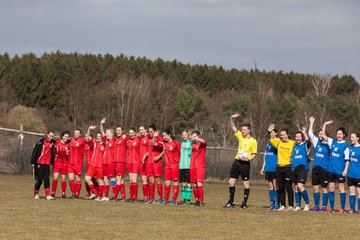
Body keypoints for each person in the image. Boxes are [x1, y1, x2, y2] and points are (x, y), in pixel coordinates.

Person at [224, 113, 257, 209]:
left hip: (245, 164)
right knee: (231, 182)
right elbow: (233, 126)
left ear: (249, 130)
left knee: (246, 183)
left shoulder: (253, 141)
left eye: (245, 130)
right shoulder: (240, 136)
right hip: (237, 162)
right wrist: (231, 118)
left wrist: (248, 158)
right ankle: (231, 202)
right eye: (242, 130)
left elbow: (254, 154)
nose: (243, 131)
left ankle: (244, 203)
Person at [322, 121, 349, 213]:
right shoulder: (332, 142)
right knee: (331, 188)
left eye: (340, 134)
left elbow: (347, 160)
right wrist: (325, 125)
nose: (338, 135)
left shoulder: (346, 146)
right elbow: (323, 135)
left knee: (341, 189)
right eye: (337, 134)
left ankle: (342, 208)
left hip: (340, 171)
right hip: (331, 170)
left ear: (344, 135)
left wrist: (345, 170)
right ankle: (331, 208)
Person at [267, 124, 295, 211]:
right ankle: (282, 205)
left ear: (287, 135)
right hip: (279, 167)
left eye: (284, 135)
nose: (282, 136)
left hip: (288, 167)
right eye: (281, 135)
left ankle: (290, 205)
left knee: (288, 186)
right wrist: (269, 131)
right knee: (281, 187)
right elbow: (269, 137)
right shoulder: (278, 142)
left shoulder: (292, 143)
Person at [308, 116, 332, 212]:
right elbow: (310, 133)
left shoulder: (329, 144)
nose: (319, 135)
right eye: (319, 134)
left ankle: (325, 206)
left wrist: (324, 125)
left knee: (324, 188)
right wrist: (312, 122)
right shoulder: (317, 142)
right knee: (315, 188)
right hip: (315, 168)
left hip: (324, 169)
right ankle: (317, 205)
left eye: (321, 133)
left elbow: (325, 135)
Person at [142, 124, 164, 204]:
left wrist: (155, 137)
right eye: (149, 131)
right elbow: (150, 149)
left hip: (156, 162)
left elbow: (155, 144)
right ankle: (152, 198)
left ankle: (160, 198)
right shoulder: (149, 138)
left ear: (155, 131)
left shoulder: (159, 139)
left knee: (157, 180)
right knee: (151, 180)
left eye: (151, 131)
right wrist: (145, 156)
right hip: (150, 162)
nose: (150, 133)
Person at [31, 130, 56, 200]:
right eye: (50, 136)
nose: (51, 137)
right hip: (39, 163)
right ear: (47, 135)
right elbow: (34, 151)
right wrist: (32, 162)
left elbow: (61, 142)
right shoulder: (40, 142)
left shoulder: (53, 142)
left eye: (52, 136)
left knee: (47, 180)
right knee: (39, 180)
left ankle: (47, 195)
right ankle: (36, 193)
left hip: (47, 164)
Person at [291, 128, 312, 211]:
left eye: (299, 137)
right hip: (294, 168)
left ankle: (307, 203)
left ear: (302, 137)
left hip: (302, 168)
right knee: (296, 187)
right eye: (297, 137)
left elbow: (309, 142)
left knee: (300, 186)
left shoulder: (305, 145)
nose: (298, 138)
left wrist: (304, 133)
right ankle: (298, 206)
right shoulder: (295, 146)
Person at [84, 126, 105, 200]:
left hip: (100, 165)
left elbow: (103, 133)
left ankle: (100, 196)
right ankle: (94, 192)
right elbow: (88, 137)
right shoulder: (94, 143)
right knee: (87, 178)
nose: (99, 137)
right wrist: (89, 128)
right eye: (97, 136)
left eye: (100, 136)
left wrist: (101, 125)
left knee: (100, 181)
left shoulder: (105, 144)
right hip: (93, 165)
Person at [260, 129, 278, 210]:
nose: (272, 134)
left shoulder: (277, 141)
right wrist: (263, 168)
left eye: (273, 133)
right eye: (271, 133)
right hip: (268, 167)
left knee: (275, 186)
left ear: (276, 133)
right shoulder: (268, 143)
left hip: (274, 167)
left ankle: (277, 203)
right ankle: (272, 204)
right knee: (270, 186)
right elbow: (265, 156)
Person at [162, 129, 181, 205]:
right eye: (163, 136)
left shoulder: (176, 143)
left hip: (174, 166)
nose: (164, 137)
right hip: (167, 166)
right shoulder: (164, 143)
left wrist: (177, 163)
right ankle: (166, 200)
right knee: (166, 183)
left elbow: (180, 153)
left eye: (165, 136)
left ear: (169, 135)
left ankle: (174, 201)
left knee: (175, 183)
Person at [99, 118, 116, 201]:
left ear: (112, 134)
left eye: (108, 133)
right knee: (105, 179)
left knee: (112, 179)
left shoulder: (115, 141)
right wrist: (101, 124)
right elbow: (102, 131)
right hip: (104, 162)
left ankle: (115, 194)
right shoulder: (106, 141)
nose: (106, 134)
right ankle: (106, 196)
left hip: (111, 163)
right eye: (106, 133)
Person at [190, 130, 207, 206]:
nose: (193, 138)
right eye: (192, 136)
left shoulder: (202, 143)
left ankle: (201, 201)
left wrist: (197, 138)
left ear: (198, 136)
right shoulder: (192, 144)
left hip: (200, 166)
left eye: (195, 136)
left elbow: (203, 141)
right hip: (193, 166)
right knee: (194, 184)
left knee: (199, 183)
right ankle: (196, 200)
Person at [51, 130, 70, 198]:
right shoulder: (57, 142)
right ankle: (53, 193)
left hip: (65, 163)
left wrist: (68, 153)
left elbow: (70, 153)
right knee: (55, 177)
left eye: (67, 137)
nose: (66, 138)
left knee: (63, 178)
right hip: (57, 162)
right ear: (62, 136)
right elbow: (54, 149)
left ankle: (63, 193)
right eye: (65, 136)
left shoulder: (68, 144)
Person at [68, 128, 86, 199]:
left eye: (77, 133)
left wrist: (89, 129)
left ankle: (77, 194)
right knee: (70, 178)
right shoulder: (71, 139)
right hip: (70, 162)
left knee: (77, 178)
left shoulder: (82, 140)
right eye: (75, 133)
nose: (75, 134)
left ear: (80, 134)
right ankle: (73, 193)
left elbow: (88, 139)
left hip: (78, 162)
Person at [112, 126, 128, 201]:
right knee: (120, 180)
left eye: (119, 130)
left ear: (122, 131)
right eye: (117, 130)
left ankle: (114, 196)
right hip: (115, 161)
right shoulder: (115, 140)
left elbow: (133, 136)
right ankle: (123, 197)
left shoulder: (124, 139)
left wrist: (126, 135)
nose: (118, 132)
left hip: (121, 162)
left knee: (118, 179)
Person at [126, 127, 141, 202]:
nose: (131, 134)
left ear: (135, 133)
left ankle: (136, 197)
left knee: (134, 180)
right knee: (131, 180)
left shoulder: (138, 140)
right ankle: (131, 197)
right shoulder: (128, 141)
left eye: (132, 133)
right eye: (130, 133)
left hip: (136, 162)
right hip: (129, 162)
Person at [179, 130, 193, 205]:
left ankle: (188, 199)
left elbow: (196, 140)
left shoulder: (191, 143)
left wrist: (191, 137)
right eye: (182, 134)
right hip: (182, 166)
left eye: (185, 134)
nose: (183, 136)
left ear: (188, 135)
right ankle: (184, 199)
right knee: (183, 182)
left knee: (188, 183)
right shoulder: (182, 143)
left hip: (188, 166)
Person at [347, 132, 360, 213]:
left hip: (358, 174)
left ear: (358, 138)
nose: (351, 139)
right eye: (351, 137)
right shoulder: (350, 147)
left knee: (359, 191)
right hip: (350, 174)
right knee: (352, 190)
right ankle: (352, 209)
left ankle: (359, 209)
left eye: (353, 137)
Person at [139, 125, 150, 202]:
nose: (141, 131)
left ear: (146, 130)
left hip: (148, 161)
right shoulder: (141, 138)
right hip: (141, 162)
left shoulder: (148, 138)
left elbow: (150, 149)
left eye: (142, 130)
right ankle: (145, 197)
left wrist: (145, 156)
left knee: (149, 179)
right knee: (143, 179)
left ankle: (150, 197)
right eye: (140, 130)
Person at [84, 132, 95, 197]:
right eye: (85, 136)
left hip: (92, 164)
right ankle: (89, 193)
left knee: (91, 179)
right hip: (87, 164)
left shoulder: (92, 143)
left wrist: (89, 129)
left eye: (87, 136)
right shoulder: (85, 143)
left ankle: (95, 193)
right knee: (88, 179)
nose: (86, 137)